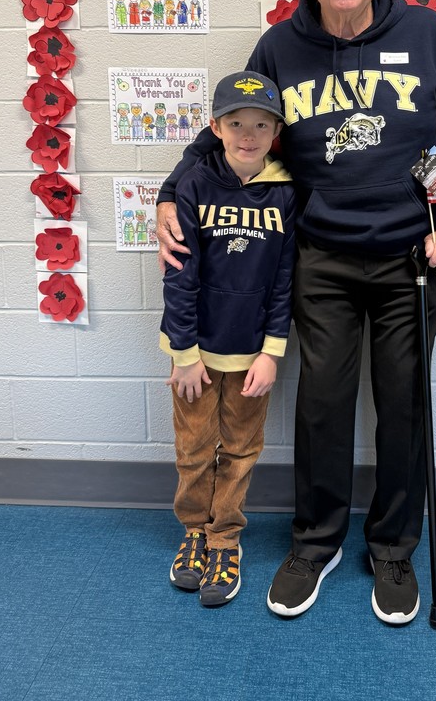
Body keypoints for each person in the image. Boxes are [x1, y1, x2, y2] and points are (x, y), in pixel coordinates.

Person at [156, 0, 436, 624]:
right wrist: (166, 193)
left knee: (404, 403)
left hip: (413, 258)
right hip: (321, 258)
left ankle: (394, 548)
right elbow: (228, 132)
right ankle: (316, 542)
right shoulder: (279, 48)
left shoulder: (432, 38)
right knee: (323, 403)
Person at [161, 71, 296, 608]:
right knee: (194, 449)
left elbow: (285, 280)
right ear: (216, 126)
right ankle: (194, 530)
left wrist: (272, 351)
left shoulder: (287, 191)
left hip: (251, 356)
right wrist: (185, 353)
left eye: (261, 125)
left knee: (240, 450)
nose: (248, 134)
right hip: (195, 353)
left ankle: (225, 539)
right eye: (236, 123)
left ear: (276, 131)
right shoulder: (193, 185)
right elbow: (178, 275)